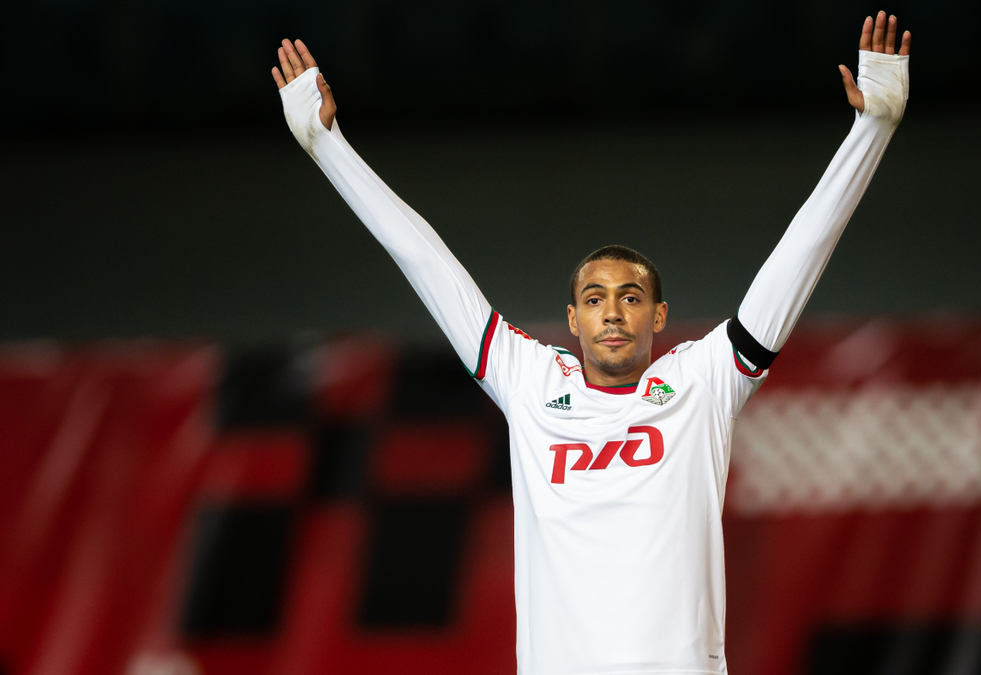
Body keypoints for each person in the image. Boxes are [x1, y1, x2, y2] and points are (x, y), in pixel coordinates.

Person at [273, 12, 910, 674]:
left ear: (659, 316)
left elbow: (795, 260)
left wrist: (871, 130)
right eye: (595, 299)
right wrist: (328, 145)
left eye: (631, 298)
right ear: (573, 320)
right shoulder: (529, 381)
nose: (612, 313)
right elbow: (426, 262)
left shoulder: (703, 383)